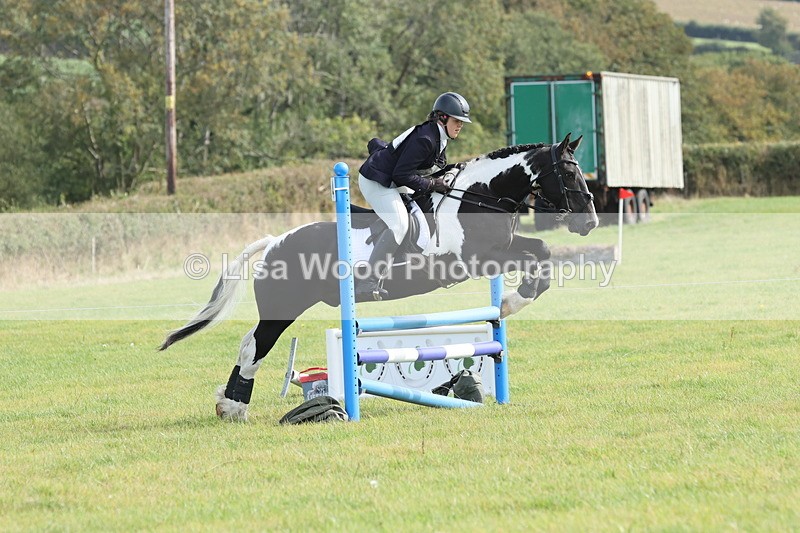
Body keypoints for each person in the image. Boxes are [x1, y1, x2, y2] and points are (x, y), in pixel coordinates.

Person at [357, 91, 472, 300]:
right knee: (399, 225)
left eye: (462, 122)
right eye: (457, 121)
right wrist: (431, 184)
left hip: (394, 178)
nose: (460, 126)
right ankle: (368, 281)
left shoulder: (440, 137)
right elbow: (401, 175)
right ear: (442, 118)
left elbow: (429, 170)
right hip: (377, 181)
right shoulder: (426, 139)